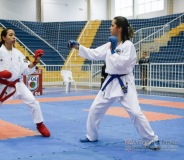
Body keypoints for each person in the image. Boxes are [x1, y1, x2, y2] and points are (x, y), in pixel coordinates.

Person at [67, 16, 160, 150]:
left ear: (119, 28)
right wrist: (78, 47)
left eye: (112, 25)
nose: (110, 27)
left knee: (135, 112)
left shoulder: (129, 46)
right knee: (94, 109)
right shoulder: (110, 44)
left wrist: (112, 52)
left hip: (124, 83)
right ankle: (91, 135)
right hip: (110, 83)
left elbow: (123, 64)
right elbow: (94, 53)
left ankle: (151, 140)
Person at [0, 28, 50, 138]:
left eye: (14, 35)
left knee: (33, 102)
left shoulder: (18, 54)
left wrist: (34, 62)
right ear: (4, 38)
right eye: (11, 35)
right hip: (1, 85)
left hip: (17, 84)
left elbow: (26, 69)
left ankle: (40, 124)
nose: (13, 37)